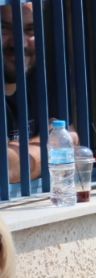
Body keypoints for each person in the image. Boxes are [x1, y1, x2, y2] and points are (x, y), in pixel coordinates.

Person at [1, 3, 78, 194]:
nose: (19, 43)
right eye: (4, 29)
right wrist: (50, 143)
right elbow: (4, 167)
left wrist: (17, 160)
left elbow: (72, 137)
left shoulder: (41, 82)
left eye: (30, 30)